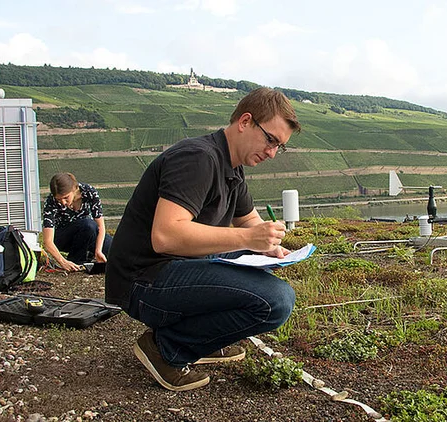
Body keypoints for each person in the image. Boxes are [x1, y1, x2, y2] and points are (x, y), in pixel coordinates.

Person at [105, 88, 301, 392]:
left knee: (252, 268)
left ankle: (203, 340)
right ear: (245, 122)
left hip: (175, 268)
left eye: (280, 147)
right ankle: (166, 348)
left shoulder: (232, 166)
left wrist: (270, 245)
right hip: (143, 280)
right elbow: (166, 236)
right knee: (276, 300)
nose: (272, 153)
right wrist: (249, 238)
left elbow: (248, 220)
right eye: (270, 140)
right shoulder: (198, 158)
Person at [42, 173, 112, 271]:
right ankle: (76, 261)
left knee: (114, 249)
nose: (63, 202)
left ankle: (90, 255)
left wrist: (98, 250)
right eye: (59, 199)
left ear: (74, 189)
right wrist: (63, 262)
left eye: (66, 197)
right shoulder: (51, 201)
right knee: (88, 225)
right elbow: (48, 241)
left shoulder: (89, 192)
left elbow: (100, 226)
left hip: (88, 233)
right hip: (63, 237)